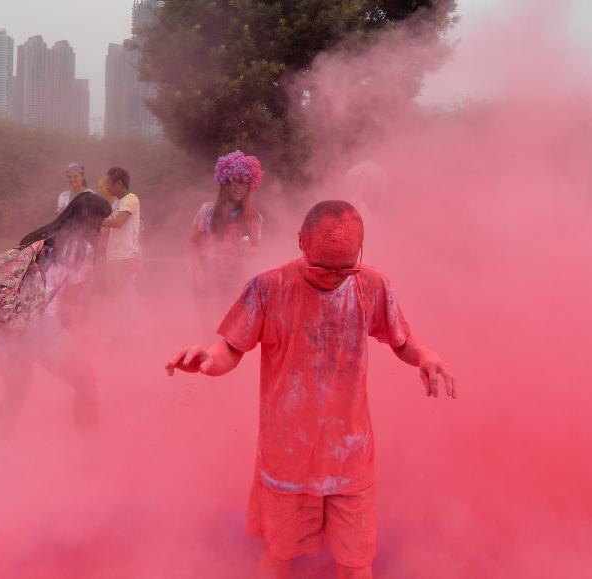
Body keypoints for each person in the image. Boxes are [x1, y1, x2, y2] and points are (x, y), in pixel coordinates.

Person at [166, 201, 455, 578]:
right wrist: (207, 359)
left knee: (356, 563)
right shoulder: (268, 288)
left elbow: (401, 340)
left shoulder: (370, 285)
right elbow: (232, 349)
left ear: (361, 250)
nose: (334, 276)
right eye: (323, 266)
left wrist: (426, 356)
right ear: (300, 242)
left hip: (349, 454)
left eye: (345, 267)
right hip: (287, 455)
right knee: (281, 555)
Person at [0, 192, 112, 434]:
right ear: (91, 219)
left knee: (16, 390)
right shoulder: (81, 248)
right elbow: (70, 303)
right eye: (102, 222)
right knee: (86, 382)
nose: (104, 229)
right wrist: (73, 338)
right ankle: (90, 448)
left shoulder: (38, 237)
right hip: (39, 324)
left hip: (3, 322)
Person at [190, 150, 264, 332]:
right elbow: (192, 242)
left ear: (250, 187)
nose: (239, 187)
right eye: (235, 181)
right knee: (208, 326)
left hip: (233, 277)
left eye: (244, 183)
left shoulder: (253, 218)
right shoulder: (207, 211)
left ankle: (222, 359)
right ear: (225, 182)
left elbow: (254, 245)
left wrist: (248, 250)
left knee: (228, 326)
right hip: (206, 273)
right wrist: (199, 269)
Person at [102, 167, 141, 288]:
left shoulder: (131, 199)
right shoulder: (116, 203)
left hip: (126, 257)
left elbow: (118, 222)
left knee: (126, 295)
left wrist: (94, 219)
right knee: (114, 295)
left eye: (109, 183)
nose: (106, 187)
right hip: (113, 256)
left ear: (119, 183)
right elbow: (107, 229)